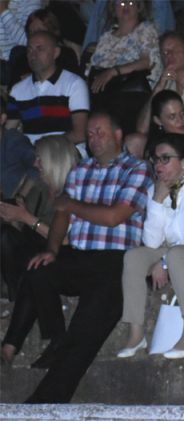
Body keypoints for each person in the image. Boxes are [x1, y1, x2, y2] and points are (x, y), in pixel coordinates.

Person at [21, 110, 150, 403]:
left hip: (117, 261)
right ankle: (57, 337)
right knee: (38, 269)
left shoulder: (136, 169)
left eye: (100, 132)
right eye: (89, 134)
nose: (93, 139)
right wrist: (52, 250)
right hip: (80, 255)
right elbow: (61, 215)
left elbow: (114, 217)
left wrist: (72, 205)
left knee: (84, 334)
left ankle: (45, 401)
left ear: (118, 135)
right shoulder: (80, 170)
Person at [117, 134, 184, 360]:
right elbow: (151, 242)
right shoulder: (155, 189)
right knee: (134, 257)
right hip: (174, 252)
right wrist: (157, 200)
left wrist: (164, 262)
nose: (158, 165)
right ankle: (136, 335)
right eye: (155, 159)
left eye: (165, 158)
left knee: (176, 255)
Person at [1, 136, 79, 364]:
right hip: (32, 256)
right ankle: (9, 346)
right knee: (6, 237)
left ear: (54, 161)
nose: (35, 164)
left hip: (63, 257)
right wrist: (15, 213)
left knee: (35, 268)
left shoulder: (76, 190)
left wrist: (26, 218)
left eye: (39, 159)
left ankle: (8, 347)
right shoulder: (39, 186)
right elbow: (19, 226)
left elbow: (68, 240)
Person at [6, 31, 89, 153]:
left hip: (65, 152)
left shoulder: (74, 84)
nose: (33, 55)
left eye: (40, 49)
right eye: (29, 50)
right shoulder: (18, 90)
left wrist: (43, 148)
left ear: (56, 52)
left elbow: (80, 134)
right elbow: (8, 132)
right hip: (31, 156)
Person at [88, 0, 161, 135]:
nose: (126, 6)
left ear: (139, 6)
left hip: (131, 97)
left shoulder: (145, 30)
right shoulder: (106, 37)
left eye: (131, 2)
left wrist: (114, 71)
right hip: (104, 96)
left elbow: (147, 62)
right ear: (113, 9)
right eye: (121, 3)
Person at [126, 90, 184, 172]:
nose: (180, 120)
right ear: (158, 121)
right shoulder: (157, 139)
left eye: (182, 113)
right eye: (172, 117)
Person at [6, 8, 81, 87]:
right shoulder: (22, 58)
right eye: (31, 33)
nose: (35, 36)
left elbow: (70, 82)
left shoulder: (65, 54)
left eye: (39, 31)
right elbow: (13, 88)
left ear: (52, 32)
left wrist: (35, 79)